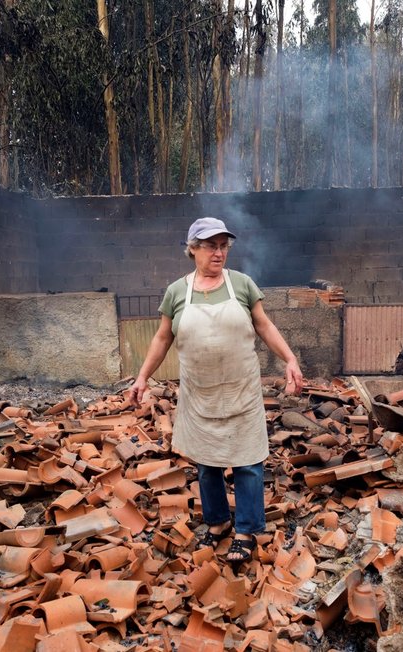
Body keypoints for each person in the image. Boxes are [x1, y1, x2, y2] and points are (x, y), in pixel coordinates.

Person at [129, 217, 304, 563]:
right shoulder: (177, 292)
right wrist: (142, 377)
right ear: (192, 249)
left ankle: (246, 530)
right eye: (211, 245)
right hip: (200, 393)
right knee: (207, 464)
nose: (219, 252)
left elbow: (264, 325)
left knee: (248, 464)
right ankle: (218, 522)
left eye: (224, 246)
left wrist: (290, 359)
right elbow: (163, 337)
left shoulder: (242, 284)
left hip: (241, 390)